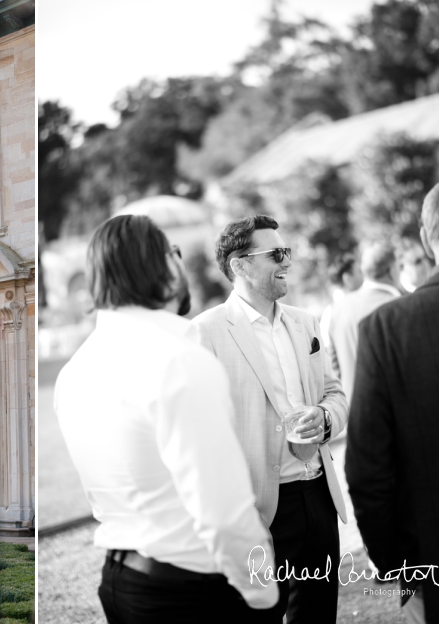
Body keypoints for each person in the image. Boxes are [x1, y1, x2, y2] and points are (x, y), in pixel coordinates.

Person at [54, 214, 279, 623]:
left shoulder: (73, 372)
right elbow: (224, 512)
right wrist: (262, 593)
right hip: (190, 593)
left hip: (119, 583)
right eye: (174, 252)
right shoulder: (179, 361)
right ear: (159, 267)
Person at [191, 214, 348, 624]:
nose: (288, 262)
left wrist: (325, 417)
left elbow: (335, 394)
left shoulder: (306, 322)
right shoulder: (204, 333)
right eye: (276, 253)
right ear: (240, 265)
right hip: (259, 506)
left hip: (319, 498)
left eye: (287, 251)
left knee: (318, 616)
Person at [346, 174, 439, 624]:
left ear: (426, 240)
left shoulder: (386, 329)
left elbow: (367, 471)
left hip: (438, 571)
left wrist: (404, 572)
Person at [327, 242, 400, 404]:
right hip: (391, 411)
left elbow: (333, 368)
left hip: (349, 409)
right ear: (393, 270)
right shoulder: (401, 307)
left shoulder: (337, 309)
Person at [319, 253, 363, 349]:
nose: (363, 276)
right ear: (347, 278)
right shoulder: (346, 310)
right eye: (359, 272)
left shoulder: (329, 313)